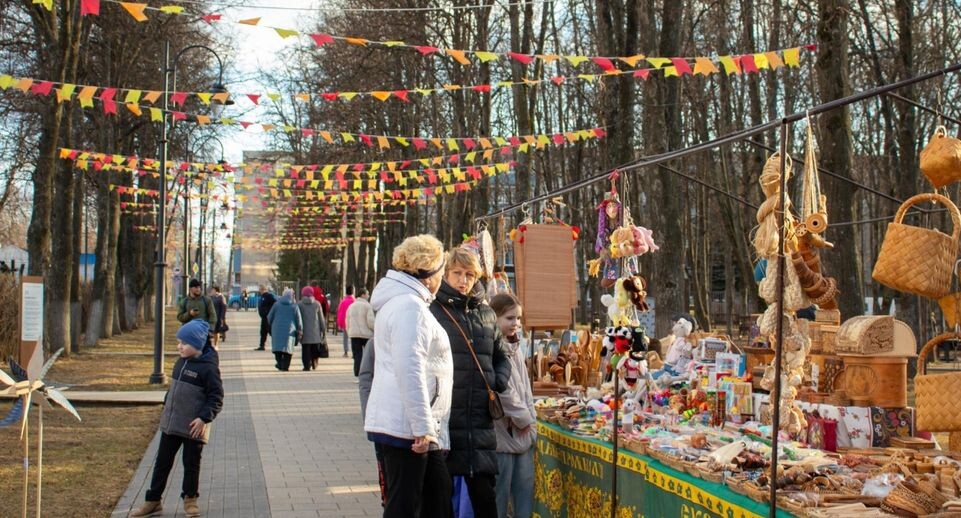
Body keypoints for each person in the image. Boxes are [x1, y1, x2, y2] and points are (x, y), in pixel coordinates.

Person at [365, 234, 453, 518]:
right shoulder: (409, 307)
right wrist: (422, 428)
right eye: (441, 270)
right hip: (407, 427)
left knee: (434, 498)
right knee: (407, 505)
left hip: (408, 424)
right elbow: (409, 368)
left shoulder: (405, 303)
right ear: (429, 273)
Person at [430, 247, 511, 518]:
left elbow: (502, 355)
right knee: (442, 501)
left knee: (485, 498)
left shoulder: (486, 313)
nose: (463, 280)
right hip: (445, 421)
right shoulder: (433, 310)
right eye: (457, 273)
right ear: (445, 274)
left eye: (469, 274)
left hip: (480, 423)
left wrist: (497, 380)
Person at [130, 319, 224, 518]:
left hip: (193, 427)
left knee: (191, 465)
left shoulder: (208, 368)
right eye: (179, 342)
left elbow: (216, 397)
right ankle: (153, 500)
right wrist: (167, 405)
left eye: (184, 343)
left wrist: (203, 418)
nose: (179, 346)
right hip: (171, 424)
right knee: (162, 463)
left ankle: (190, 499)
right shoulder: (180, 362)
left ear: (197, 344)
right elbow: (173, 390)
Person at [489, 294, 536, 518]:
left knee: (524, 494)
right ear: (494, 318)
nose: (515, 323)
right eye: (509, 318)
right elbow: (503, 390)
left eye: (518, 318)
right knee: (500, 497)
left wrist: (530, 420)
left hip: (523, 435)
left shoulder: (515, 347)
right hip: (503, 434)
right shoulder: (492, 348)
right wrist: (524, 418)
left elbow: (525, 389)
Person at [358, 338, 387, 507]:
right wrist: (369, 415)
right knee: (386, 471)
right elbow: (365, 380)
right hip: (383, 423)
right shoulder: (375, 342)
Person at [268, 288, 302, 372]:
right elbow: (299, 320)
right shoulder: (294, 306)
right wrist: (300, 330)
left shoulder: (276, 305)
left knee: (277, 348)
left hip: (276, 329)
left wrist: (271, 325)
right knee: (288, 349)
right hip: (290, 330)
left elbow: (269, 317)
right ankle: (285, 366)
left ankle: (280, 363)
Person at [346, 287, 375, 377]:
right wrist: (375, 329)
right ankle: (367, 373)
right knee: (367, 355)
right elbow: (370, 322)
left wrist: (349, 331)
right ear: (363, 295)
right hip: (366, 334)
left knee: (357, 355)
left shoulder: (351, 306)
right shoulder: (367, 306)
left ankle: (357, 373)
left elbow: (347, 320)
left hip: (354, 334)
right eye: (367, 294)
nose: (368, 296)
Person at [298, 286, 327, 371]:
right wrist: (323, 329)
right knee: (315, 349)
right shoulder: (317, 304)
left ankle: (306, 366)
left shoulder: (300, 304)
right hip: (315, 331)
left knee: (305, 350)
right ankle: (314, 363)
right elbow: (321, 318)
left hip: (304, 331)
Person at [255, 285, 277, 351]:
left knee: (271, 332)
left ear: (264, 289)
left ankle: (276, 345)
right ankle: (262, 346)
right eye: (260, 289)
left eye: (260, 289)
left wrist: (267, 311)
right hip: (263, 317)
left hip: (268, 317)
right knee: (263, 332)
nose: (260, 291)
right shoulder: (262, 296)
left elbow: (275, 303)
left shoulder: (269, 296)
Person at [337, 285, 356, 358]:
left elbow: (340, 313)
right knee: (353, 338)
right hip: (353, 322)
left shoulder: (343, 301)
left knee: (345, 337)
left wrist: (340, 323)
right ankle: (354, 352)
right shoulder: (355, 301)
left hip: (345, 322)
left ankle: (345, 352)